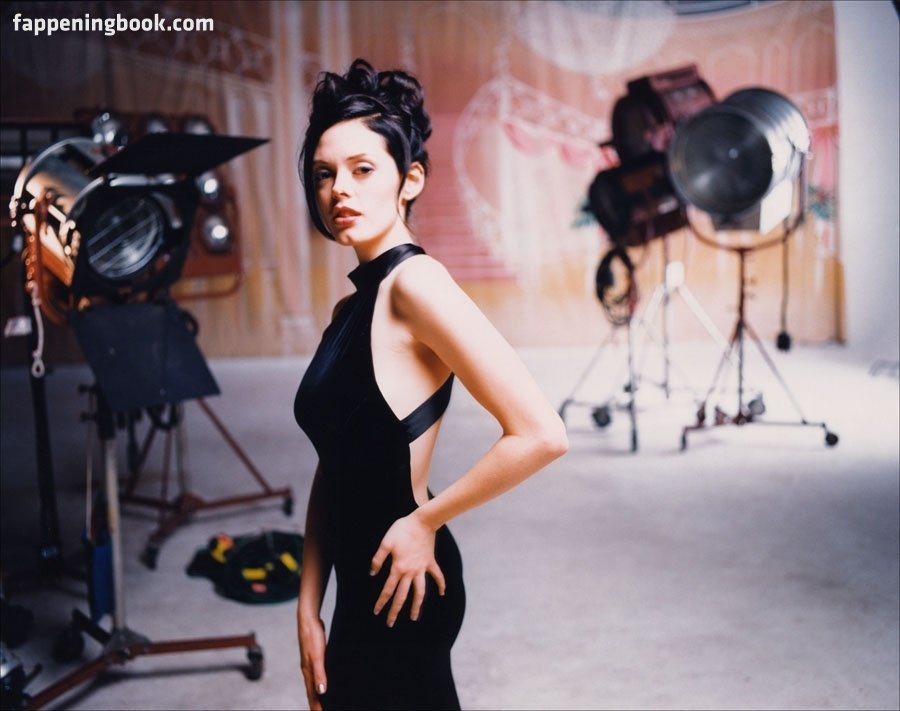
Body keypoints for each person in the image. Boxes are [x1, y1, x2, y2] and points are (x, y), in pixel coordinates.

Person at [293, 58, 568, 710]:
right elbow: (335, 462)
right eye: (325, 174)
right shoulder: (350, 308)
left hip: (406, 581)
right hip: (357, 584)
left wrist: (426, 522)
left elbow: (541, 433)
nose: (339, 190)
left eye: (363, 169)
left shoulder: (416, 285)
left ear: (409, 179)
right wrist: (308, 605)